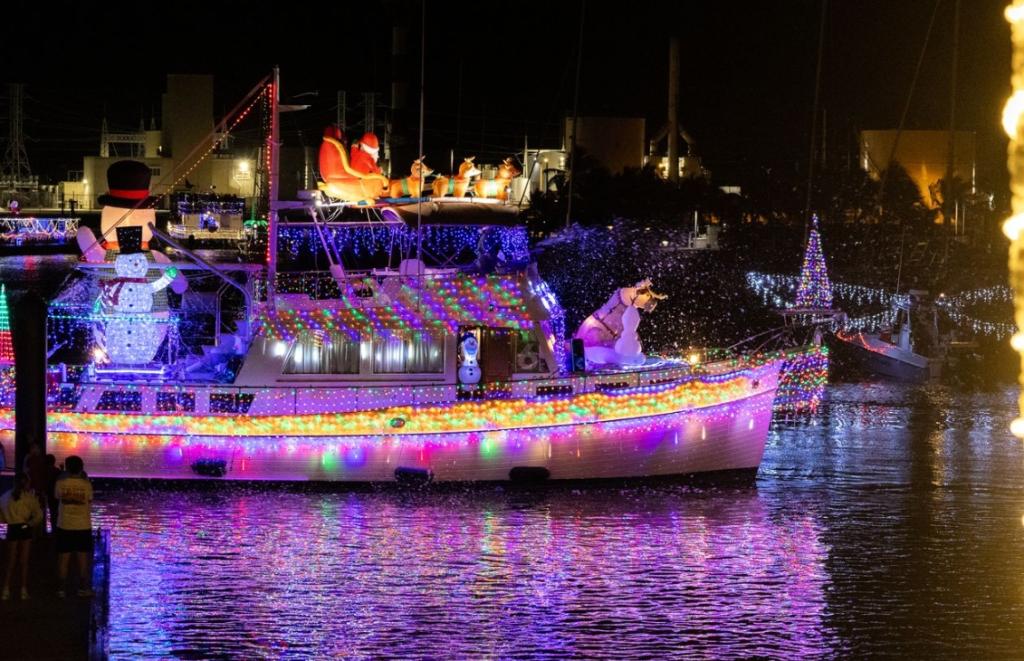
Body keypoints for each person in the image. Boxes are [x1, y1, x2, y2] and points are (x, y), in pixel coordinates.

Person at [54, 455, 94, 598]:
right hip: (82, 526)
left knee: (63, 559)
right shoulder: (86, 485)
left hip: (64, 525)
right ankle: (82, 588)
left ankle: (61, 590)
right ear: (81, 467)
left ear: (67, 467)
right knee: (83, 559)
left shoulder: (60, 483)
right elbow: (89, 500)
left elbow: (57, 497)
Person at [1, 473, 44, 600]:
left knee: (11, 560)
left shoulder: (5, 497)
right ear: (26, 483)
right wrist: (29, 524)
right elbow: (39, 515)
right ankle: (23, 589)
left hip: (12, 527)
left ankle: (6, 589)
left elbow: (1, 514)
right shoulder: (29, 497)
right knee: (24, 561)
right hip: (24, 527)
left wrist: (7, 521)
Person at [44, 455, 61, 534]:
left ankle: (51, 530)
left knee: (50, 512)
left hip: (47, 493)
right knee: (55, 512)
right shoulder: (57, 471)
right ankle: (56, 530)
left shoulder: (44, 471)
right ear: (54, 461)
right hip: (55, 494)